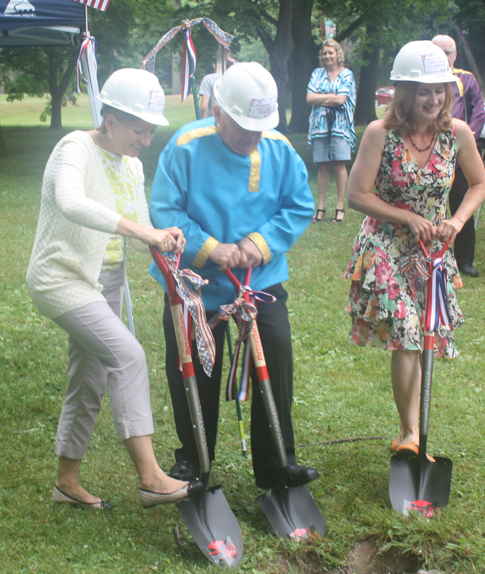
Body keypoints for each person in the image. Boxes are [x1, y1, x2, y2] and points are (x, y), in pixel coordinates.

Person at [26, 68, 201, 510]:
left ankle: (66, 482)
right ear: (110, 120)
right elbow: (70, 201)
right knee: (128, 356)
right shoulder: (74, 148)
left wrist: (162, 235)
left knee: (90, 380)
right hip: (61, 278)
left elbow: (141, 225)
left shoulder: (133, 165)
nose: (146, 139)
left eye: (150, 130)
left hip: (104, 283)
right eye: (139, 129)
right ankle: (150, 478)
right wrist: (140, 230)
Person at [149, 62, 319, 489]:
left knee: (274, 359)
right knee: (193, 370)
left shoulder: (279, 148)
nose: (252, 137)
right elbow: (165, 210)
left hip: (258, 284)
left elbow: (298, 205)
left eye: (259, 128)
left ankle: (279, 462)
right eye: (243, 127)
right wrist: (210, 248)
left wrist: (257, 245)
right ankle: (194, 461)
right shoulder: (185, 146)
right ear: (218, 112)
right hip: (194, 286)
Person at [344, 42, 485, 457]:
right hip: (386, 244)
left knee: (425, 337)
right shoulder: (380, 133)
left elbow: (479, 184)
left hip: (431, 253)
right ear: (404, 92)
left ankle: (412, 431)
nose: (434, 98)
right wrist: (405, 216)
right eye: (424, 91)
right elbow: (356, 194)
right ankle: (409, 435)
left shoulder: (456, 134)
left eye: (439, 89)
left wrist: (456, 222)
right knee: (407, 332)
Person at [432, 34, 485, 277]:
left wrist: (468, 141)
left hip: (458, 153)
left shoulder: (466, 78)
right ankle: (430, 254)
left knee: (463, 204)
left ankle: (464, 260)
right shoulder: (423, 81)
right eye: (438, 52)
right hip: (427, 151)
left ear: (455, 55)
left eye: (448, 52)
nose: (444, 56)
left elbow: (478, 110)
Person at [306, 38, 356, 223]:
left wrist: (321, 98)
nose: (327, 56)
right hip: (319, 126)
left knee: (339, 165)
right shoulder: (317, 74)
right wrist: (330, 96)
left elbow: (341, 100)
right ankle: (320, 207)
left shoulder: (347, 75)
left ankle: (339, 206)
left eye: (331, 53)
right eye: (324, 53)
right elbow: (309, 99)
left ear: (338, 54)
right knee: (323, 165)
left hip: (340, 126)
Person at [198, 49, 232, 119]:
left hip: (213, 121)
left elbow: (203, 107)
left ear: (214, 65)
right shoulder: (233, 79)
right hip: (230, 123)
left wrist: (201, 123)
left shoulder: (208, 79)